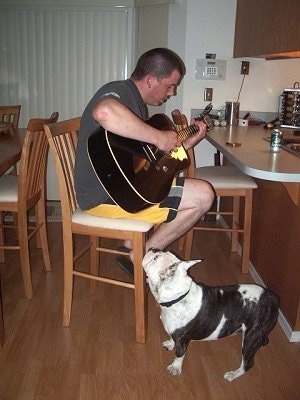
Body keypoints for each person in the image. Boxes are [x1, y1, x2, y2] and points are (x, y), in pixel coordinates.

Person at [74, 47, 215, 276]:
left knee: (189, 190)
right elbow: (104, 112)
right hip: (104, 197)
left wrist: (187, 143)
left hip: (122, 188)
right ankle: (139, 256)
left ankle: (135, 248)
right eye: (170, 86)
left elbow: (150, 159)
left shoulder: (137, 103)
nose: (171, 93)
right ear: (150, 80)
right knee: (203, 195)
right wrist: (159, 137)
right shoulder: (120, 91)